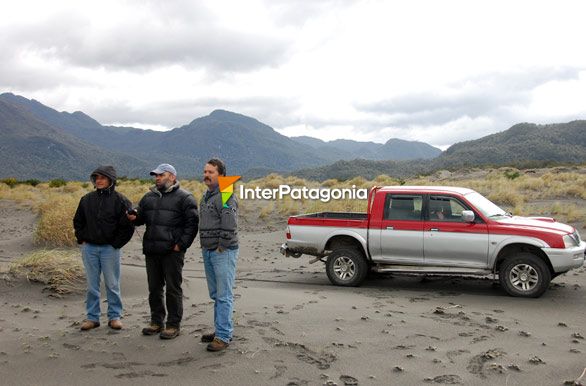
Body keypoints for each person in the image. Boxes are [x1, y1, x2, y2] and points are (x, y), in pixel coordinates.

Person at [127, 163, 198, 339]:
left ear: (172, 177)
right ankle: (156, 322)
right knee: (154, 288)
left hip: (172, 252)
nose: (157, 178)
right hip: (152, 250)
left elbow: (192, 225)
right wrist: (134, 216)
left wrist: (180, 245)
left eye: (161, 175)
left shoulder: (185, 198)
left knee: (173, 289)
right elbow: (141, 218)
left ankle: (173, 325)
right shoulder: (148, 197)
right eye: (155, 176)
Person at [73, 165, 135, 331]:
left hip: (110, 249)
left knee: (112, 284)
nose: (99, 181)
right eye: (96, 178)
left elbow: (128, 226)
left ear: (111, 180)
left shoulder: (120, 200)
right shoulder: (86, 199)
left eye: (102, 178)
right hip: (90, 248)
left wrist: (116, 244)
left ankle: (114, 317)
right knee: (92, 285)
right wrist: (82, 238)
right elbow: (78, 221)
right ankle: (92, 318)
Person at [199, 158, 239, 352]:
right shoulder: (207, 195)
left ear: (221, 175)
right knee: (216, 294)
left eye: (211, 172)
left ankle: (223, 335)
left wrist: (221, 247)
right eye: (205, 171)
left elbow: (230, 224)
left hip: (222, 251)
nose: (206, 175)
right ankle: (220, 330)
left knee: (223, 295)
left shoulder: (226, 194)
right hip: (208, 250)